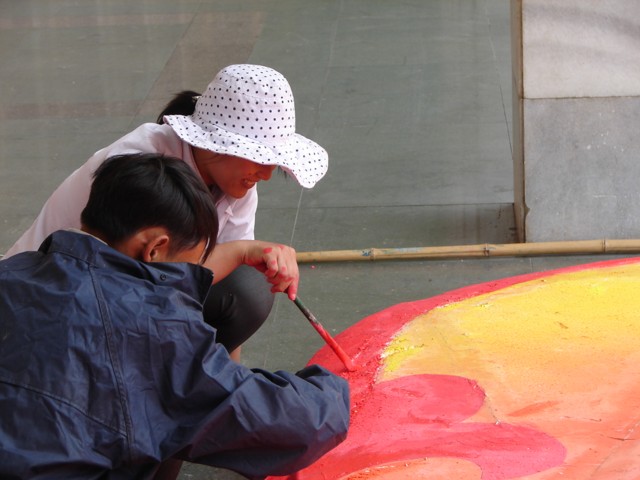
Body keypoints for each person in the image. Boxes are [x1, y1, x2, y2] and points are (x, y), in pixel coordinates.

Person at [0, 153, 349, 479]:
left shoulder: (13, 271)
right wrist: (334, 390)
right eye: (185, 269)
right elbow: (294, 423)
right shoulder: (151, 325)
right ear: (154, 247)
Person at [4, 63, 329, 362]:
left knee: (246, 286)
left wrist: (234, 384)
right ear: (219, 143)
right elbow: (130, 280)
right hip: (50, 302)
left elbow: (211, 278)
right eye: (259, 158)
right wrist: (243, 251)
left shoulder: (235, 181)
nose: (267, 174)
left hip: (123, 289)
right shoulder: (141, 167)